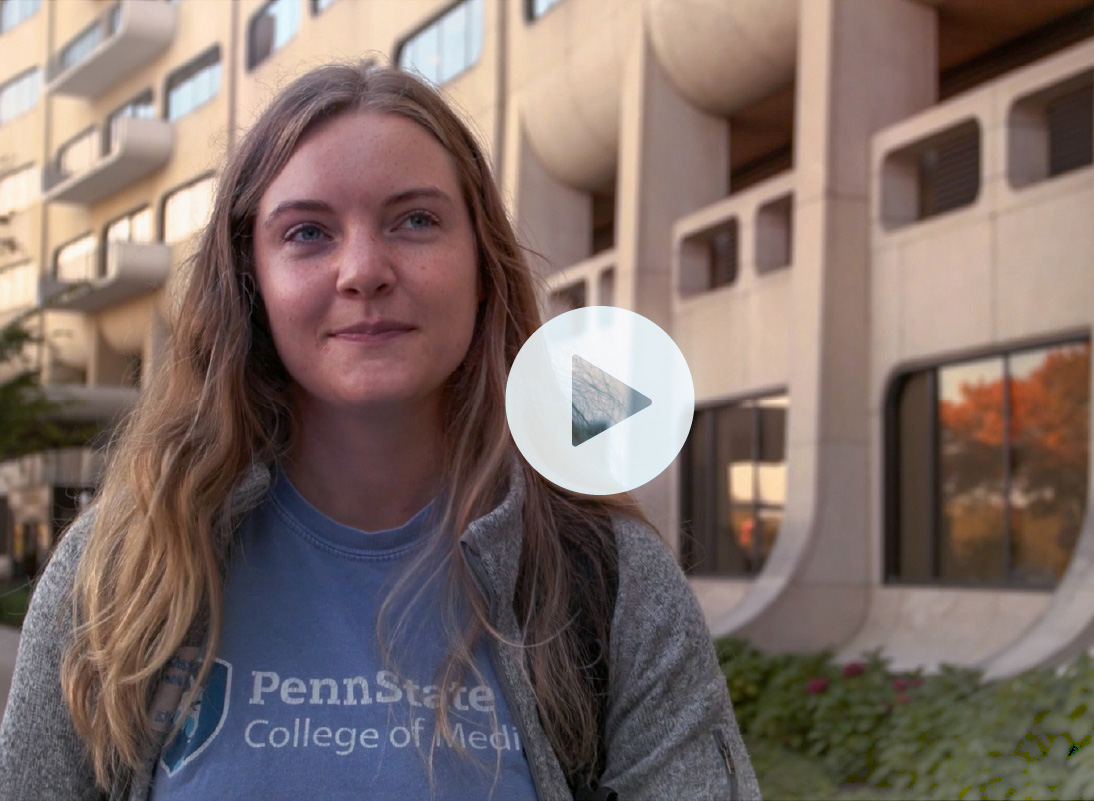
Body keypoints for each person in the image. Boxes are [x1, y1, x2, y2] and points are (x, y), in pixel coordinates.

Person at [0, 62, 760, 801]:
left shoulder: (609, 579)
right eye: (307, 232)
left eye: (417, 220)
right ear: (249, 281)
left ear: (482, 266)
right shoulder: (121, 570)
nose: (363, 269)